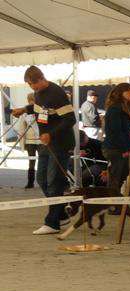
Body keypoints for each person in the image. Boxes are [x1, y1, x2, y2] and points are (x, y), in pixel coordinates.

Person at [12, 66, 76, 235]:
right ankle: (61, 213)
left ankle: (52, 223)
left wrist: (51, 134)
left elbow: (70, 119)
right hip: (46, 144)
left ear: (40, 79)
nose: (32, 88)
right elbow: (40, 109)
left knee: (54, 180)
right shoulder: (39, 94)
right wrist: (24, 109)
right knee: (42, 178)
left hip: (60, 143)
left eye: (33, 84)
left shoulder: (57, 93)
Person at [102, 83, 130, 195]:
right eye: (127, 91)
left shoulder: (122, 107)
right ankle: (112, 205)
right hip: (115, 148)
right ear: (120, 93)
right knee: (116, 177)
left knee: (121, 175)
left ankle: (115, 202)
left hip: (119, 147)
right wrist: (124, 149)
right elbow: (116, 131)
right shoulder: (115, 108)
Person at [14, 93, 40, 189]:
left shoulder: (36, 110)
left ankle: (30, 183)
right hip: (33, 140)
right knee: (37, 161)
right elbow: (22, 127)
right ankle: (32, 182)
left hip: (36, 140)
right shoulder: (25, 111)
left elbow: (21, 128)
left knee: (33, 162)